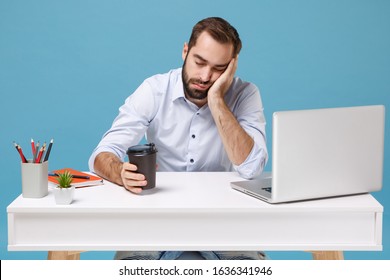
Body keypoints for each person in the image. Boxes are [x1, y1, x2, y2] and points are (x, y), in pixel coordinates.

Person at [89, 17, 268, 260]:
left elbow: (251, 168)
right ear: (185, 51)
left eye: (218, 68)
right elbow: (101, 155)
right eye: (199, 62)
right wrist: (120, 171)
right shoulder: (154, 90)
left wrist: (216, 99)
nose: (205, 76)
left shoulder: (244, 94)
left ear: (231, 67)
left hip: (222, 220)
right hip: (156, 219)